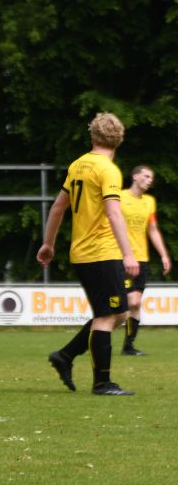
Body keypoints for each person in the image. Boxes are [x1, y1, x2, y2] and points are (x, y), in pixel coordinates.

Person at [38, 112, 138, 396]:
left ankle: (65, 356)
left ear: (93, 136)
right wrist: (128, 254)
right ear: (119, 139)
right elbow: (114, 212)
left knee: (118, 313)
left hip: (83, 252)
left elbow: (58, 207)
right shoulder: (108, 169)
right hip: (101, 252)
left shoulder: (78, 165)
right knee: (107, 317)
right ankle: (102, 383)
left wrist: (48, 244)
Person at [118, 165, 172, 355]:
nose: (150, 180)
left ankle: (128, 346)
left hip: (141, 259)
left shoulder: (149, 202)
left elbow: (153, 229)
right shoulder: (119, 197)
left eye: (151, 178)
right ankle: (94, 337)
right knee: (123, 304)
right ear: (135, 176)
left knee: (135, 303)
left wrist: (164, 254)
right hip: (121, 258)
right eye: (146, 176)